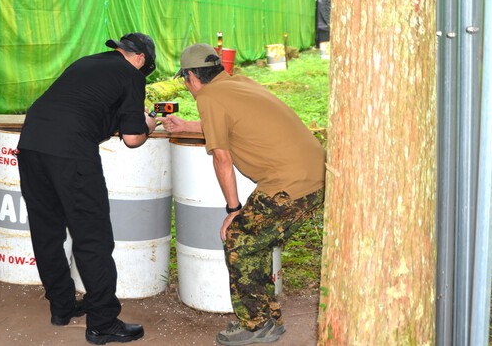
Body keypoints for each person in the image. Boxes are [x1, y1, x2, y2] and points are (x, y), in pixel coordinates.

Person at [159, 43, 326, 346]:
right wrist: (186, 126)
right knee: (255, 241)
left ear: (190, 78)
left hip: (288, 182)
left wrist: (233, 209)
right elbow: (226, 125)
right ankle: (266, 319)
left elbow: (222, 158)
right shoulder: (237, 83)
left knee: (238, 236)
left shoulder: (208, 96)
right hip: (313, 173)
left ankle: (255, 325)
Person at [16, 33, 159, 345]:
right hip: (70, 152)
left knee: (47, 231)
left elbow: (84, 106)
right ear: (140, 59)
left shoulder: (86, 63)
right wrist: (151, 123)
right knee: (92, 237)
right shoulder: (131, 75)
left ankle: (62, 307)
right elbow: (134, 138)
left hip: (30, 144)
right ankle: (103, 323)